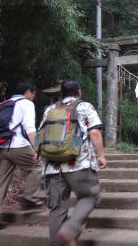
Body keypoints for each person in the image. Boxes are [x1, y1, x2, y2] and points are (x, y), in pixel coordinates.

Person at [40, 79, 107, 246]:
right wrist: (101, 155)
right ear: (79, 91)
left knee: (57, 209)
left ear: (61, 93)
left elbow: (42, 135)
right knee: (90, 196)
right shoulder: (84, 107)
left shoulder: (50, 109)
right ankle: (70, 229)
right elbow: (95, 133)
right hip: (78, 164)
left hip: (52, 167)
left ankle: (56, 243)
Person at [0, 82, 44, 236]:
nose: (34, 97)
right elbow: (30, 128)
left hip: (0, 147)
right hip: (18, 145)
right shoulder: (26, 104)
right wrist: (37, 149)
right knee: (37, 166)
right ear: (28, 92)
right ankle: (29, 198)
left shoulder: (5, 103)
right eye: (34, 93)